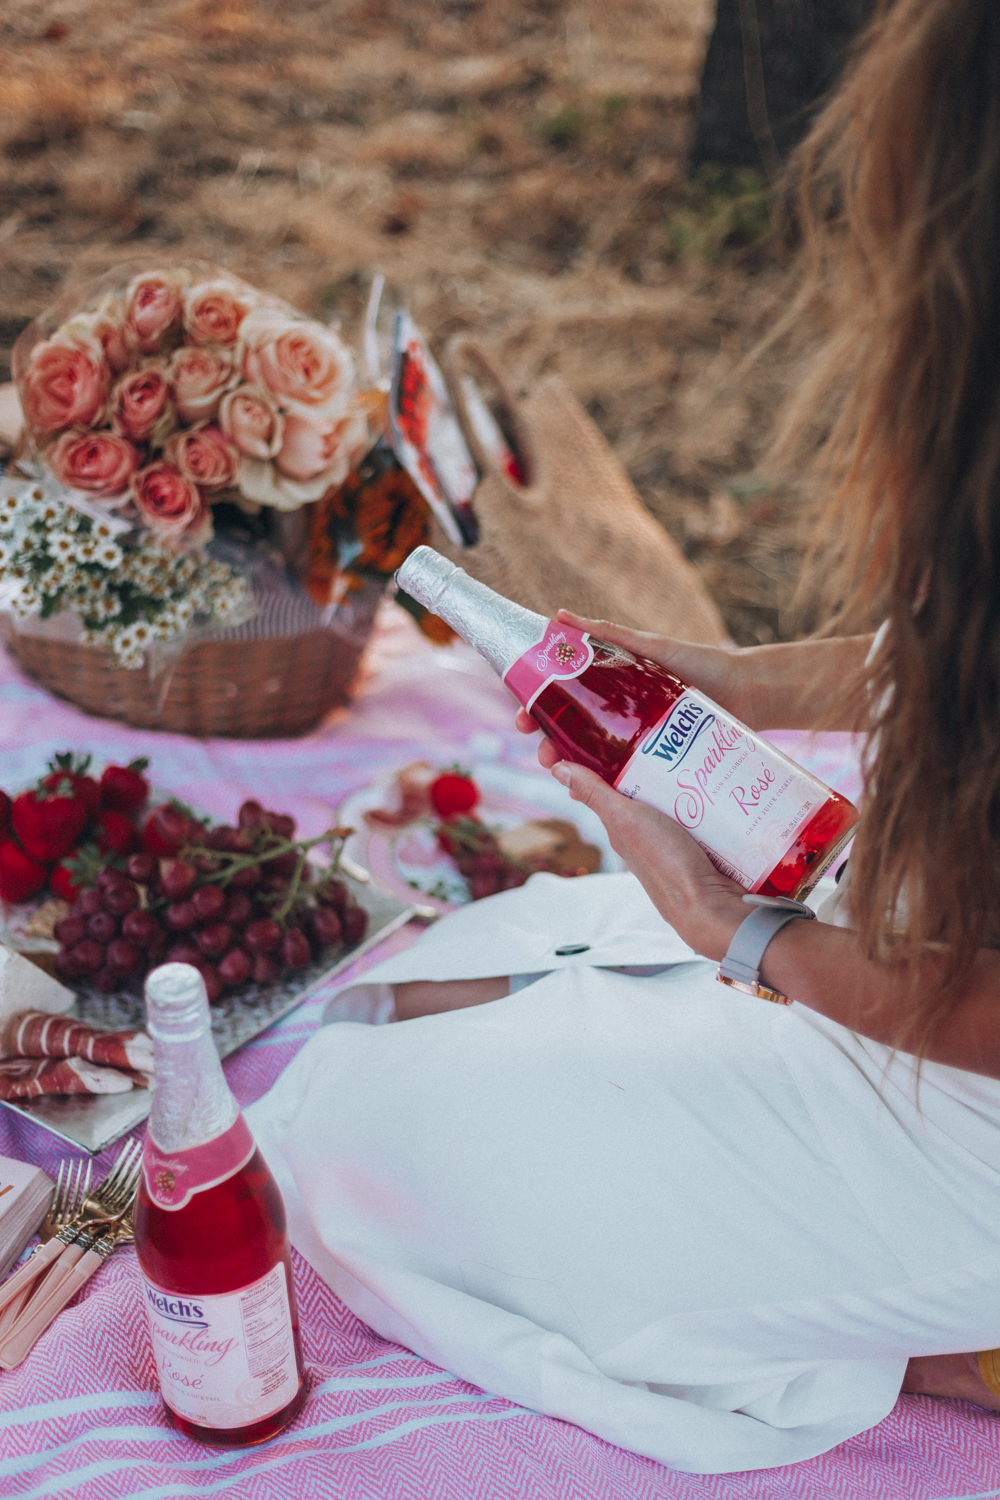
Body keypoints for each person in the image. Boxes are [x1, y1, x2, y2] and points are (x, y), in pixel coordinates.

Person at [246, 0, 1000, 1472]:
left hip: (961, 1095)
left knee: (355, 1156)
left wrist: (738, 931)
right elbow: (952, 651)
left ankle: (942, 1338)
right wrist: (741, 677)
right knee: (416, 1003)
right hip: (901, 957)